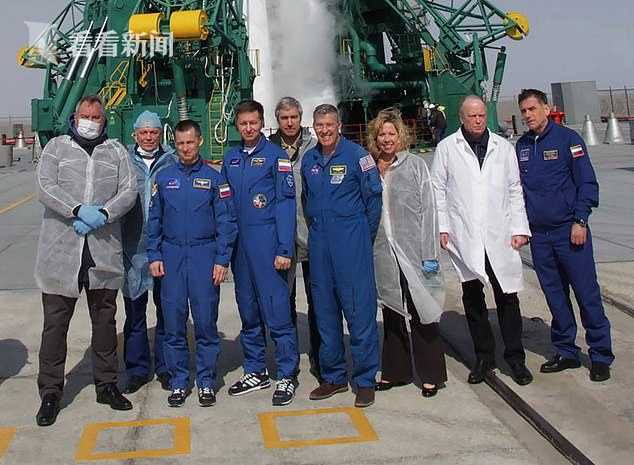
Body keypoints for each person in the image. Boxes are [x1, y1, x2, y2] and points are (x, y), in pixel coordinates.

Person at [34, 95, 137, 426]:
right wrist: (76, 209)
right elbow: (44, 186)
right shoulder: (56, 149)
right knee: (55, 325)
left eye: (95, 117)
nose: (89, 122)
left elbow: (129, 191)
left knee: (105, 322)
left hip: (102, 251)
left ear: (104, 120)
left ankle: (106, 385)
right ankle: (51, 392)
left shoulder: (116, 152)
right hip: (62, 252)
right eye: (85, 116)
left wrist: (103, 214)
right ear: (74, 117)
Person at [431, 95, 533, 386]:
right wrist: (443, 227)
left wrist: (519, 228)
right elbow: (437, 189)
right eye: (472, 116)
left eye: (481, 115)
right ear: (461, 118)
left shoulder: (503, 147)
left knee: (507, 298)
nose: (478, 120)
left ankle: (515, 358)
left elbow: (515, 189)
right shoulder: (447, 148)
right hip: (465, 236)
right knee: (473, 299)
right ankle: (484, 358)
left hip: (499, 235)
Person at [516, 89, 614, 382]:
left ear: (546, 108)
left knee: (587, 295)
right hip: (540, 237)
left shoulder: (568, 140)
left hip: (570, 233)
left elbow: (587, 183)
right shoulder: (522, 146)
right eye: (523, 111)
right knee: (555, 297)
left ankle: (600, 355)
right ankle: (566, 351)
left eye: (532, 109)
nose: (528, 115)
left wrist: (580, 220)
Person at [147, 119, 237, 407]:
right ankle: (178, 381)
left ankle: (206, 381)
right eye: (180, 143)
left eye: (190, 142)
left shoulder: (214, 179)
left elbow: (226, 222)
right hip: (172, 257)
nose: (185, 148)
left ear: (200, 141)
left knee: (205, 323)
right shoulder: (164, 179)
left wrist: (222, 259)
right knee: (173, 325)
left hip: (204, 256)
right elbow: (154, 221)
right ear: (175, 144)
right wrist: (154, 255)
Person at [301, 104, 383, 408]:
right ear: (314, 127)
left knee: (359, 312)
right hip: (320, 245)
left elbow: (373, 201)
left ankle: (365, 380)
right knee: (325, 313)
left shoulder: (358, 157)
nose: (324, 130)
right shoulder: (309, 160)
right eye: (319, 125)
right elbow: (306, 201)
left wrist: (361, 237)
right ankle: (333, 376)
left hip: (352, 244)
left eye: (329, 125)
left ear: (339, 126)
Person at [221, 100, 300, 406]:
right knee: (248, 310)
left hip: (268, 246)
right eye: (243, 124)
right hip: (241, 249)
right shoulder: (231, 159)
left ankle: (286, 373)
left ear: (262, 123)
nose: (249, 128)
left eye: (253, 123)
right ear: (237, 126)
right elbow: (224, 205)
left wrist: (284, 248)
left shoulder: (276, 157)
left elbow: (285, 204)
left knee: (277, 311)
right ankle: (255, 370)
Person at [369, 108, 448, 398]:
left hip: (414, 251)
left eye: (392, 133)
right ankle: (395, 371)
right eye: (382, 134)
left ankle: (431, 375)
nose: (387, 139)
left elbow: (429, 210)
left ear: (400, 136)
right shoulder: (369, 167)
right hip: (383, 252)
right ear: (375, 138)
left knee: (423, 310)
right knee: (391, 310)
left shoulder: (415, 166)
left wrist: (430, 256)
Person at [121, 111, 177, 394]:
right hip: (132, 250)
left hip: (164, 249)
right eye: (143, 132)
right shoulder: (124, 162)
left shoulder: (172, 161)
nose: (148, 137)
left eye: (153, 132)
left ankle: (166, 367)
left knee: (166, 311)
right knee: (135, 313)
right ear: (135, 134)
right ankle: (137, 369)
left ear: (160, 134)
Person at [268, 96, 321, 380]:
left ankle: (320, 359)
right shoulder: (268, 149)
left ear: (301, 118)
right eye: (284, 118)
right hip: (281, 240)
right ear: (277, 120)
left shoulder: (315, 146)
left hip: (312, 236)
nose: (289, 123)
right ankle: (287, 362)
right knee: (284, 303)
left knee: (319, 302)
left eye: (294, 117)